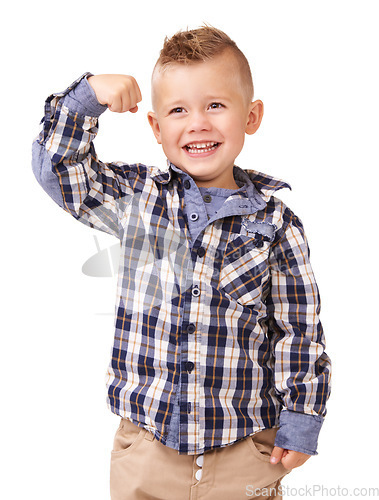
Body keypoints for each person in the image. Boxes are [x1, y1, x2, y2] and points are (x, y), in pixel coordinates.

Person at [32, 25, 331, 500]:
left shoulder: (277, 224)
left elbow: (298, 330)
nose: (197, 123)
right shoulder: (138, 199)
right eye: (177, 110)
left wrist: (302, 420)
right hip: (147, 447)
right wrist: (85, 99)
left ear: (250, 116)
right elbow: (62, 174)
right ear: (155, 128)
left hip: (243, 448)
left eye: (215, 105)